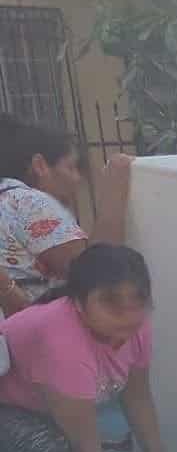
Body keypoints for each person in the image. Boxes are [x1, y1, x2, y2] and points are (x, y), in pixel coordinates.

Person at [0, 244, 165, 452]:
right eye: (110, 300)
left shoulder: (136, 325)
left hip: (46, 404)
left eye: (138, 298)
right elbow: (85, 451)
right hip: (8, 408)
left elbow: (138, 397)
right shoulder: (63, 343)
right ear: (78, 303)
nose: (127, 312)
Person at [0, 114, 132, 315]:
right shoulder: (27, 202)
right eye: (71, 167)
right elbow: (97, 272)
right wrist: (117, 185)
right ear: (40, 166)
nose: (77, 180)